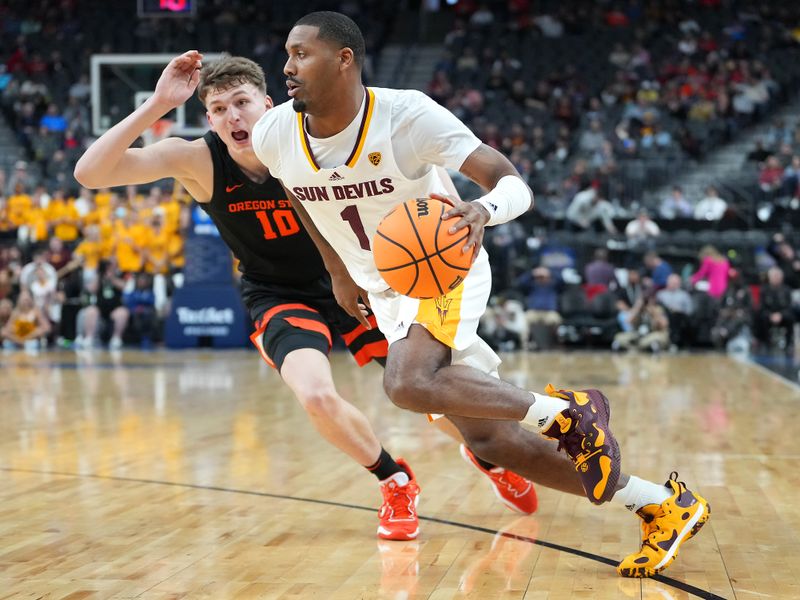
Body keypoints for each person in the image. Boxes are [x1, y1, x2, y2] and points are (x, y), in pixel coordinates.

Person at [252, 11, 710, 577]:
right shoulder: (274, 133)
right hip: (385, 291)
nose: (287, 66)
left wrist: (482, 210)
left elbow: (513, 181)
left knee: (407, 382)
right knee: (494, 443)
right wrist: (339, 272)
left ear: (344, 59)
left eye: (301, 54)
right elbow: (299, 197)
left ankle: (567, 414)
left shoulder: (406, 116)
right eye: (288, 54)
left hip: (446, 266)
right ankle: (661, 503)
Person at [74, 52, 537, 542]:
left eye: (242, 102)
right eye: (219, 109)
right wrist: (158, 105)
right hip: (276, 291)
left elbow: (416, 170)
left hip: (359, 281)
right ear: (207, 118)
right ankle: (394, 479)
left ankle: (485, 455)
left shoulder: (308, 136)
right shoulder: (197, 158)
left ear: (268, 104)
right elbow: (90, 173)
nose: (233, 117)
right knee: (314, 393)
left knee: (432, 399)